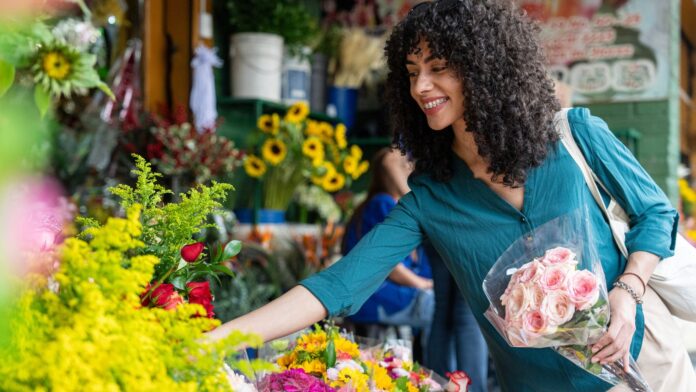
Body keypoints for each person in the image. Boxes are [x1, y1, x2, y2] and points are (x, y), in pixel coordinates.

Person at [208, 1, 696, 390]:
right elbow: (337, 286)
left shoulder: (574, 137)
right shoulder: (431, 198)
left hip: (646, 368)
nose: (422, 86)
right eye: (412, 70)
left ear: (485, 70)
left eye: (439, 67)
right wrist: (219, 338)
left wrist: (628, 293)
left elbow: (655, 212)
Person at [342, 147, 434, 353]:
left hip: (389, 297)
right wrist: (424, 284)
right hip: (377, 297)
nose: (410, 168)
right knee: (442, 309)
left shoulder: (389, 204)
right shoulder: (382, 203)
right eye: (404, 165)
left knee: (447, 307)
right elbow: (390, 265)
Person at [424, 244, 489, 392]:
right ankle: (472, 389)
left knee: (442, 309)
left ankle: (437, 386)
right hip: (471, 233)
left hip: (436, 228)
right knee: (468, 315)